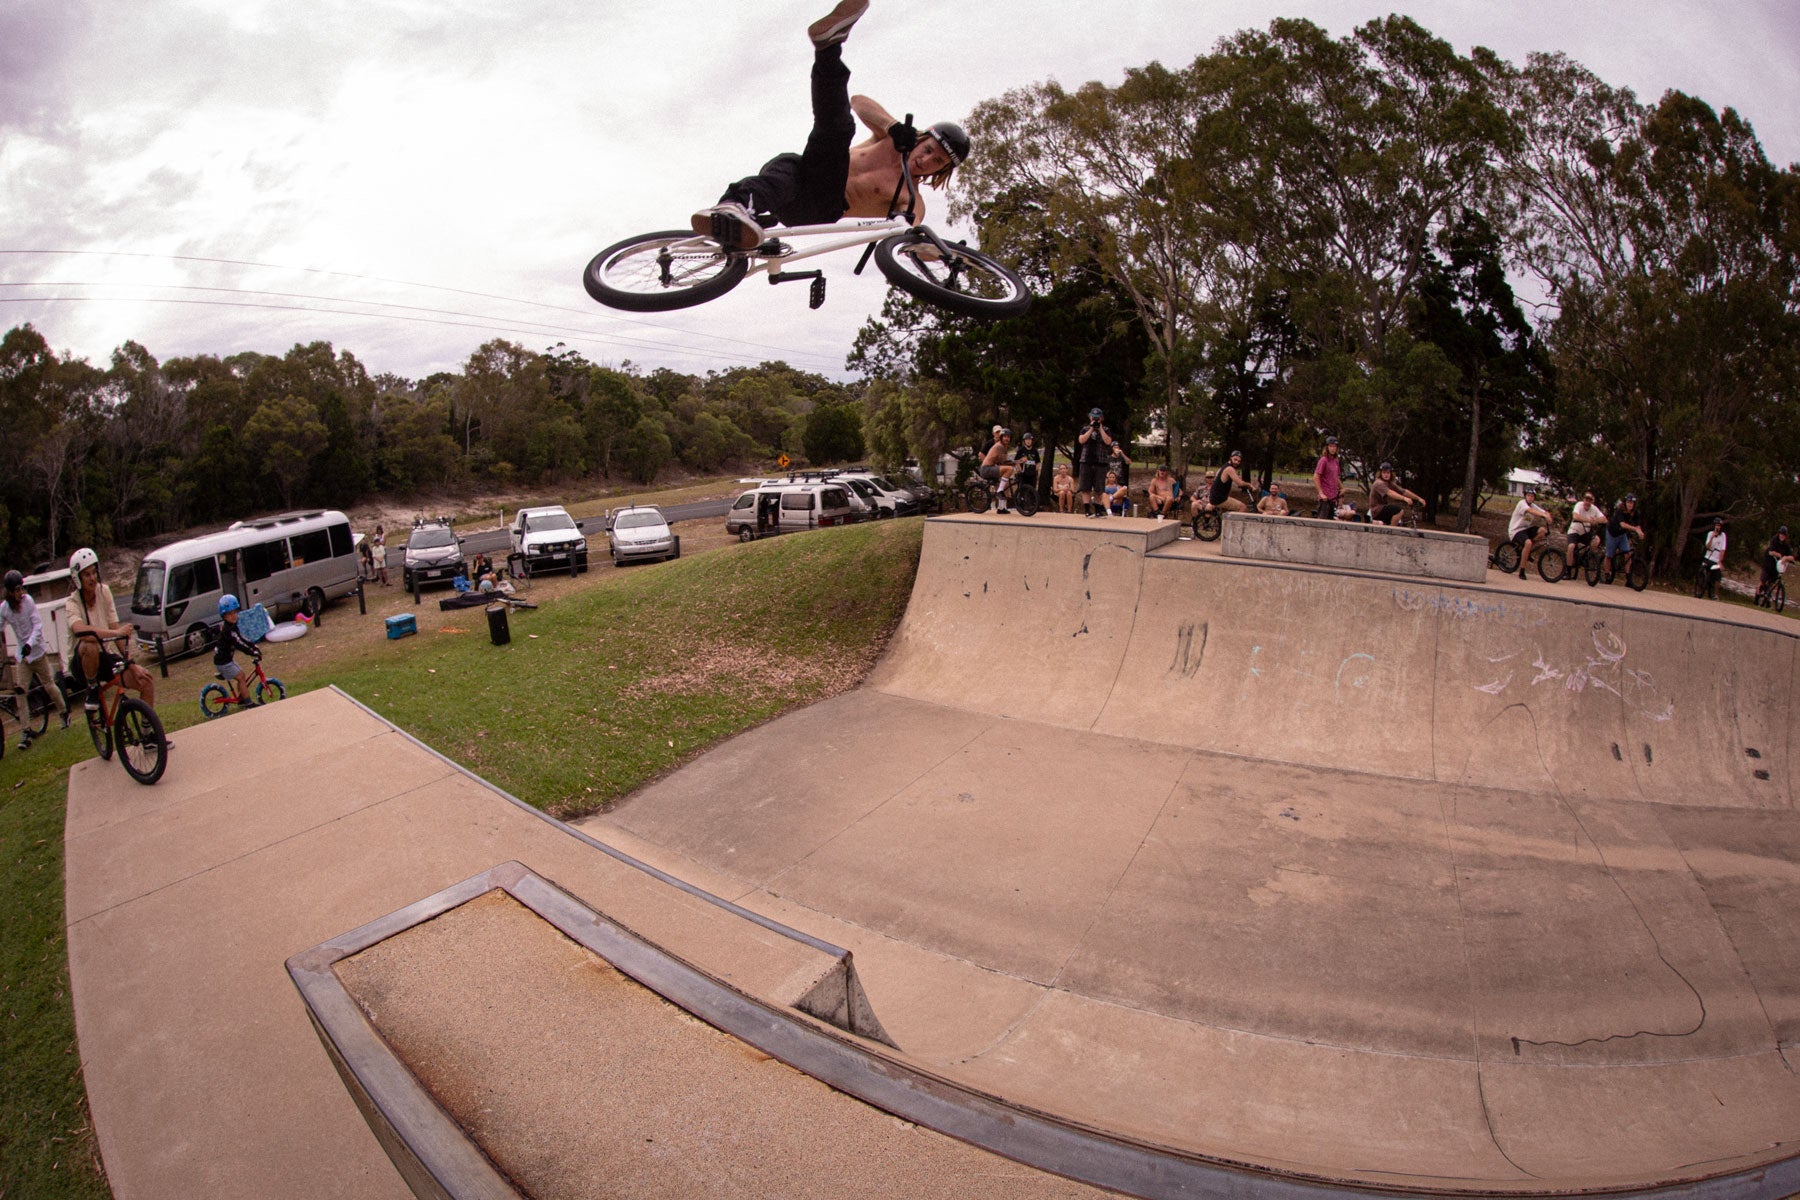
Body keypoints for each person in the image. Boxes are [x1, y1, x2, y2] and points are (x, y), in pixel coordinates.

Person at [691, 0, 966, 252]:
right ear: (922, 139)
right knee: (794, 160)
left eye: (937, 161)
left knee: (838, 135)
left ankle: (829, 50)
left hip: (820, 208)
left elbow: (913, 234)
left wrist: (943, 253)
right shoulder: (890, 139)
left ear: (941, 170)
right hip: (797, 181)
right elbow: (859, 102)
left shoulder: (910, 196)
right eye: (928, 149)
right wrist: (892, 126)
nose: (926, 160)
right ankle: (733, 206)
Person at [65, 547, 156, 710]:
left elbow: (117, 631)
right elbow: (80, 630)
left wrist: (131, 664)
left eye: (94, 572)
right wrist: (116, 633)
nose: (92, 578)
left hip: (103, 655)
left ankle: (147, 730)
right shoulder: (72, 603)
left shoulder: (104, 591)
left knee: (146, 679)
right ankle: (92, 688)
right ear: (77, 578)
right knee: (90, 643)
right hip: (82, 663)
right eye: (87, 574)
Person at [1, 569, 69, 748]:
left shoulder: (28, 602)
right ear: (9, 591)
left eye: (21, 589)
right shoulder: (4, 609)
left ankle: (63, 712)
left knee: (49, 685)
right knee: (20, 692)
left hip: (37, 653)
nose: (20, 593)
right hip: (23, 658)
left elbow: (38, 625)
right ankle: (26, 731)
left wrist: (30, 644)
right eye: (16, 590)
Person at [212, 595, 262, 706]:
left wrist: (253, 646)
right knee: (241, 677)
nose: (233, 616)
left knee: (241, 676)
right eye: (229, 614)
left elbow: (242, 638)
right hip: (223, 662)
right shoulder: (228, 630)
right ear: (224, 616)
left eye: (235, 612)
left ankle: (242, 698)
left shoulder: (232, 626)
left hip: (226, 659)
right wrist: (251, 652)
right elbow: (239, 643)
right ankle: (247, 703)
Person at [1076, 407, 1117, 519]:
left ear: (1101, 418)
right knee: (1086, 487)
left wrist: (1100, 429)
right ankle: (1087, 510)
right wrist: (1091, 429)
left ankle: (1098, 510)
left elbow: (1108, 441)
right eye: (1093, 417)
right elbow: (1081, 440)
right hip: (1086, 461)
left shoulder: (1106, 429)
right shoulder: (1084, 429)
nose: (1095, 419)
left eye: (1097, 418)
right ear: (1090, 417)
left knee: (1099, 488)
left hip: (1100, 461)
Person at [1507, 488, 1555, 580]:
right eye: (1528, 495)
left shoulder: (1533, 505)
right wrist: (1543, 516)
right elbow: (1530, 511)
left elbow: (1544, 512)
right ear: (1525, 496)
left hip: (1525, 529)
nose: (1530, 497)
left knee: (1543, 531)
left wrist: (1548, 517)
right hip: (1515, 531)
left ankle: (1527, 551)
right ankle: (1522, 570)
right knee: (1528, 543)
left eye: (1532, 496)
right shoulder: (1522, 504)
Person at [1565, 491, 1607, 580]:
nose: (1587, 502)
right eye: (1586, 500)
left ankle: (1587, 557)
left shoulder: (1594, 508)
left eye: (1589, 500)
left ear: (1592, 501)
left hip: (1585, 533)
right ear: (1583, 500)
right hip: (1574, 531)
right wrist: (1588, 520)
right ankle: (1568, 571)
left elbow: (1604, 519)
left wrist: (1596, 520)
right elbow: (1575, 516)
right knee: (1571, 546)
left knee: (1596, 540)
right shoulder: (1579, 505)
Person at [1604, 494, 1646, 582]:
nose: (1630, 504)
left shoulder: (1635, 513)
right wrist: (1635, 529)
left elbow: (1638, 525)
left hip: (1622, 535)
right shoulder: (1620, 511)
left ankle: (1628, 578)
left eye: (1632, 503)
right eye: (1628, 502)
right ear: (1625, 503)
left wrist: (1640, 532)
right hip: (1612, 533)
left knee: (1628, 554)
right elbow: (1622, 524)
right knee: (1609, 555)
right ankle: (1607, 574)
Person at [978, 427, 1017, 513]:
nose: (1007, 438)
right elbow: (1004, 461)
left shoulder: (1004, 447)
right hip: (986, 469)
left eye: (1009, 437)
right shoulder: (999, 446)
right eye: (1005, 437)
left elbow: (1005, 461)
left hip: (991, 468)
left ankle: (1001, 508)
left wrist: (1016, 462)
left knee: (1003, 485)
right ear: (1001, 437)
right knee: (1009, 469)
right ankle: (999, 491)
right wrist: (1017, 462)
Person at [1207, 450, 1251, 515]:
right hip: (1220, 499)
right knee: (1243, 507)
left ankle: (1225, 523)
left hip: (1216, 497)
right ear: (1231, 458)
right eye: (1235, 459)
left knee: (1228, 512)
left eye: (1239, 461)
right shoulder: (1229, 469)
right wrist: (1249, 485)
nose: (1237, 462)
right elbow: (1239, 483)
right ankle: (1235, 525)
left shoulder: (1224, 466)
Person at [1759, 526, 1794, 604]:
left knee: (1772, 582)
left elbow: (1792, 557)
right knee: (1763, 581)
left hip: (1777, 566)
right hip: (1768, 563)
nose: (1782, 536)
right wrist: (1778, 555)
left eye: (1784, 534)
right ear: (1779, 534)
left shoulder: (1787, 545)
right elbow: (1771, 551)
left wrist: (1786, 557)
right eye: (1781, 534)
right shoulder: (1774, 540)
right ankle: (1757, 595)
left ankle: (1767, 598)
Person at [1312, 436, 1342, 520]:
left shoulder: (1336, 461)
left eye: (1334, 447)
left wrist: (1342, 487)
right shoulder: (1323, 460)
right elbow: (1316, 477)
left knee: (1331, 520)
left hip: (1333, 497)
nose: (1333, 449)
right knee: (1322, 520)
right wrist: (1321, 493)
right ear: (1327, 447)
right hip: (1325, 497)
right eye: (1331, 446)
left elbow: (1336, 476)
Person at [1699, 518, 1727, 600]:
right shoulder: (1710, 534)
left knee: (1718, 577)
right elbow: (1707, 546)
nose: (1717, 527)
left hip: (1716, 560)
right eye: (1716, 526)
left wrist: (1720, 561)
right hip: (1708, 557)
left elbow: (1723, 549)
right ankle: (1699, 589)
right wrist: (1712, 537)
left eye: (1719, 526)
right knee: (1702, 572)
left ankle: (1715, 595)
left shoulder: (1723, 536)